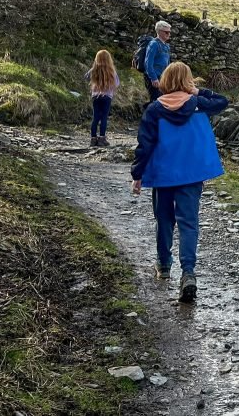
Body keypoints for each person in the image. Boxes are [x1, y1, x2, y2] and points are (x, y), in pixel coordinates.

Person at [130, 61, 228, 303]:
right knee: (188, 223)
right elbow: (222, 101)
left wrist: (137, 174)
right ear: (188, 80)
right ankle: (188, 273)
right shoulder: (199, 105)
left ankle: (164, 265)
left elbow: (145, 145)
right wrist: (198, 91)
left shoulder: (154, 110)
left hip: (163, 174)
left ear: (164, 80)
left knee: (163, 219)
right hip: (191, 174)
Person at [84, 50, 120, 147]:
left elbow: (86, 77)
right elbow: (117, 83)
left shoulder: (93, 70)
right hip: (107, 96)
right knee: (104, 117)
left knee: (95, 117)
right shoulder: (112, 71)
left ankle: (93, 139)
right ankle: (102, 138)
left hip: (95, 96)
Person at [143, 20, 172, 104]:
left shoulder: (166, 46)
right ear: (159, 32)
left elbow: (168, 63)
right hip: (154, 78)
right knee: (155, 100)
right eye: (166, 32)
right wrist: (154, 78)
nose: (169, 34)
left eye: (169, 32)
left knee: (162, 100)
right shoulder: (153, 44)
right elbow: (148, 63)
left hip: (163, 78)